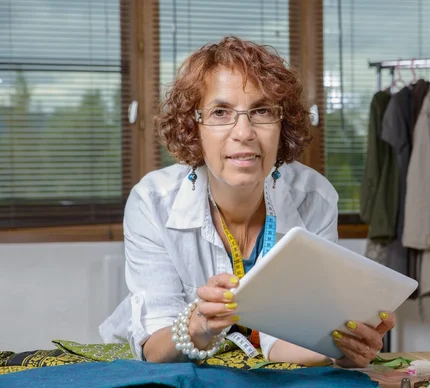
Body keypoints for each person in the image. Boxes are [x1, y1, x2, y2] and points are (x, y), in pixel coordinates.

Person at [99, 36, 396, 368]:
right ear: (192, 127)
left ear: (282, 126)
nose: (244, 132)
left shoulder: (314, 198)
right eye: (220, 112)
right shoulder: (152, 202)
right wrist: (198, 326)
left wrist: (340, 349)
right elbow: (155, 349)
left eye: (262, 111)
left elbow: (286, 343)